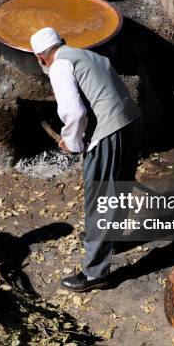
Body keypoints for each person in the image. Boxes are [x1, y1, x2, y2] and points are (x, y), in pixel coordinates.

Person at [30, 27, 142, 292]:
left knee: (101, 198)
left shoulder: (59, 66)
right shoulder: (88, 56)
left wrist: (71, 141)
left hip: (110, 131)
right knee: (120, 189)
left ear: (41, 58)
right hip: (132, 122)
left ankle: (94, 273)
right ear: (63, 42)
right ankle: (107, 240)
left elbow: (75, 112)